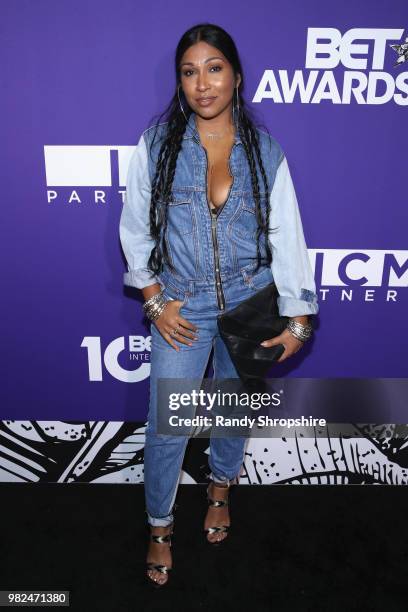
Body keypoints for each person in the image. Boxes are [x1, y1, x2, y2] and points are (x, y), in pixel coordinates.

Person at [119, 23, 319, 587]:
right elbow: (135, 229)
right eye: (189, 71)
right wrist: (155, 299)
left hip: (251, 305)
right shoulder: (155, 146)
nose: (202, 84)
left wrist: (299, 318)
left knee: (232, 413)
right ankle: (160, 527)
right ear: (179, 81)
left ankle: (220, 492)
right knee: (168, 428)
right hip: (183, 306)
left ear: (234, 75)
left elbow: (288, 237)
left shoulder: (264, 151)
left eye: (213, 68)